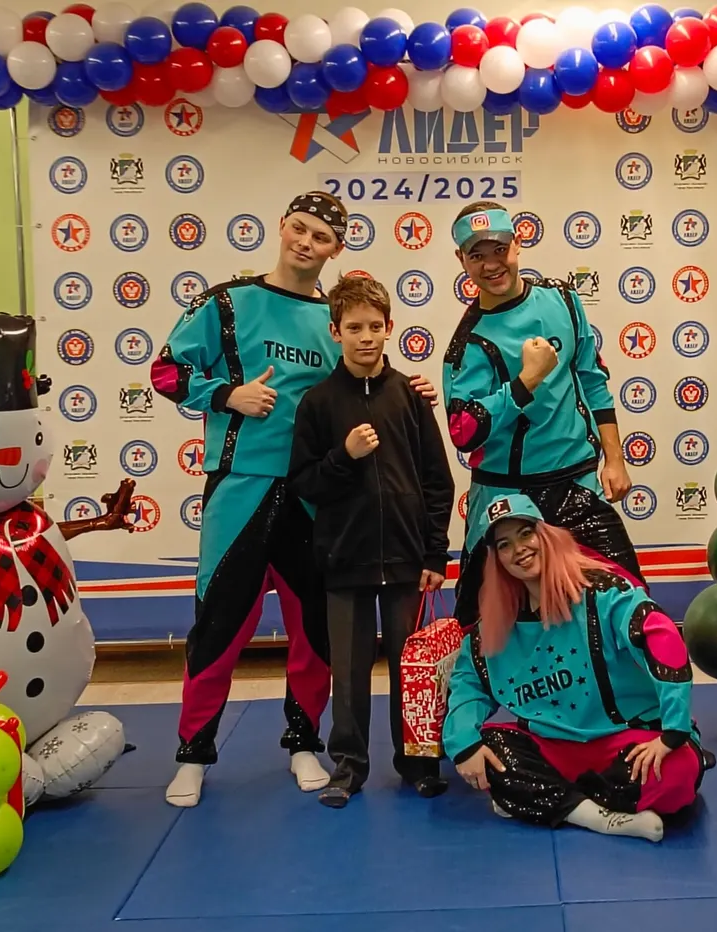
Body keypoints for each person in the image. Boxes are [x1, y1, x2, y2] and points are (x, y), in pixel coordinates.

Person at [150, 191, 438, 808]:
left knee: (316, 633)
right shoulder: (227, 302)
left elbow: (361, 381)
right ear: (282, 227)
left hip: (318, 494)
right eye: (300, 229)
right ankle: (193, 753)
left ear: (337, 249)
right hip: (242, 485)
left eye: (322, 237)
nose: (306, 243)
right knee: (220, 623)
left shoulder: (332, 316)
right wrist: (227, 395)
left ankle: (303, 742)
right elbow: (167, 372)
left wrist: (408, 388)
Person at [441, 493, 705, 843]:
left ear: (547, 534)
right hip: (553, 747)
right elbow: (467, 683)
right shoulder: (495, 623)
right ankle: (598, 816)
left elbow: (661, 637)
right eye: (504, 545)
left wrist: (673, 731)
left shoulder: (604, 592)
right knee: (489, 749)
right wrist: (465, 744)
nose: (518, 549)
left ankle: (541, 799)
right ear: (497, 560)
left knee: (678, 768)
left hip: (627, 738)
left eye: (525, 533)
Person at [288, 274, 455, 806]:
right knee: (349, 672)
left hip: (407, 559)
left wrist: (434, 553)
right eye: (354, 327)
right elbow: (305, 483)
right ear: (335, 331)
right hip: (344, 560)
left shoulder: (410, 396)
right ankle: (349, 766)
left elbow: (438, 481)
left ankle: (418, 762)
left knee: (412, 670)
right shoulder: (317, 403)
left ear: (389, 328)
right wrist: (344, 456)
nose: (365, 337)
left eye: (374, 326)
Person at [441, 201, 643, 630]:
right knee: (486, 627)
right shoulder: (469, 341)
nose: (491, 265)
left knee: (629, 611)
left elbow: (592, 378)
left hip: (577, 482)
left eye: (499, 249)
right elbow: (463, 432)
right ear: (461, 260)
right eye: (477, 255)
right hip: (506, 497)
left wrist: (615, 458)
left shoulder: (563, 300)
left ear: (518, 244)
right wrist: (525, 382)